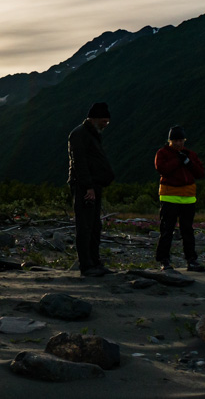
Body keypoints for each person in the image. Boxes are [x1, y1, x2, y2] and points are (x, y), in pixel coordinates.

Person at [67, 102, 115, 277]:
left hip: (94, 185)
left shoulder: (92, 134)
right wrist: (87, 186)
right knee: (85, 226)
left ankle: (95, 261)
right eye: (104, 121)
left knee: (95, 225)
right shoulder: (79, 134)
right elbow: (79, 162)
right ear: (94, 118)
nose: (105, 124)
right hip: (84, 187)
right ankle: (86, 265)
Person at [154, 126, 205, 272]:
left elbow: (200, 173)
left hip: (188, 197)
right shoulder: (162, 153)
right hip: (169, 196)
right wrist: (179, 161)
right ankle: (164, 260)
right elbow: (162, 169)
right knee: (167, 230)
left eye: (181, 140)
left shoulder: (190, 155)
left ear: (184, 140)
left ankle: (191, 260)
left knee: (187, 231)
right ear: (170, 141)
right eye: (175, 140)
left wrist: (188, 162)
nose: (178, 143)